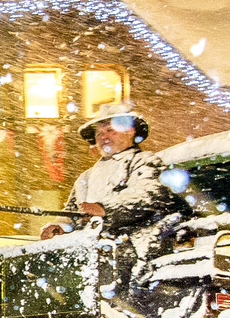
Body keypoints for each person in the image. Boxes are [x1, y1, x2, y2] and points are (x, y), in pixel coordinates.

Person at [40, 102, 177, 241]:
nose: (104, 137)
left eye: (110, 130)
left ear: (130, 131)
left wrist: (105, 209)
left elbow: (148, 196)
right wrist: (61, 227)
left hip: (136, 247)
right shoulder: (86, 177)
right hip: (92, 248)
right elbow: (72, 213)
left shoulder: (144, 161)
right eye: (99, 134)